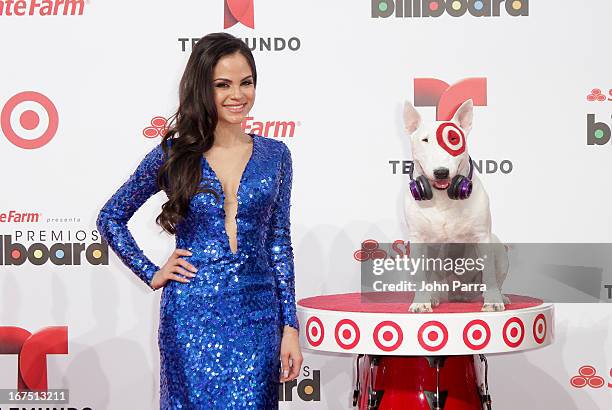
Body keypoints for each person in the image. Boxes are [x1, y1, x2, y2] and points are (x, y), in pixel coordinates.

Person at [96, 32, 302, 409]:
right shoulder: (175, 154)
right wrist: (150, 270)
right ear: (201, 88)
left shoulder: (276, 155)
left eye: (246, 83)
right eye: (222, 85)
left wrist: (290, 326)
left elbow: (278, 241)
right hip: (192, 312)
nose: (237, 95)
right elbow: (110, 216)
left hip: (258, 315)